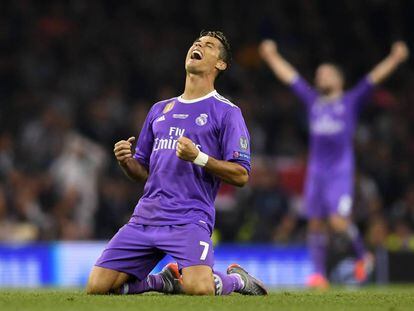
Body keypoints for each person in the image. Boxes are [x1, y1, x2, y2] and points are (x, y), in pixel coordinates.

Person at [86, 30, 267, 296]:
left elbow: (241, 175)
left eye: (209, 45)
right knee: (97, 287)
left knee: (199, 288)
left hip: (189, 219)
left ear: (220, 64)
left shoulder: (227, 112)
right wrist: (126, 161)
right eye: (197, 42)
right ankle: (162, 281)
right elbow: (142, 172)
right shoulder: (160, 109)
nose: (199, 45)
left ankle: (237, 281)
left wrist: (199, 157)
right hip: (145, 218)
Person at [259, 39, 409, 288]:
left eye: (326, 73)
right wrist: (271, 55)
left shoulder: (350, 101)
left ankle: (364, 256)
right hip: (316, 173)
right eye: (318, 74)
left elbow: (374, 77)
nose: (321, 77)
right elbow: (291, 77)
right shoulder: (313, 101)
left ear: (339, 79)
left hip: (340, 172)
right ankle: (319, 275)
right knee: (316, 222)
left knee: (338, 221)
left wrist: (395, 57)